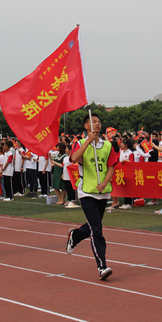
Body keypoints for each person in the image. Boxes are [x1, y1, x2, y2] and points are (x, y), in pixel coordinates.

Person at [66, 113, 118, 280]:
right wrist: (88, 141)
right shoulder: (80, 143)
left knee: (92, 226)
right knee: (97, 230)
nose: (97, 124)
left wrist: (105, 182)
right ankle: (102, 266)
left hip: (103, 193)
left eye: (99, 122)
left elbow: (111, 166)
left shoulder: (107, 145)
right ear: (86, 126)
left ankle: (75, 235)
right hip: (87, 191)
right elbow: (73, 158)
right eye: (93, 122)